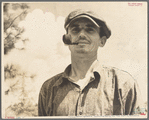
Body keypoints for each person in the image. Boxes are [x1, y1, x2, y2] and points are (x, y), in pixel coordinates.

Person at [38, 9, 143, 116]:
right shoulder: (49, 89)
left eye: (90, 30)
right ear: (66, 40)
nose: (82, 35)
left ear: (102, 41)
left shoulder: (124, 84)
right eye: (75, 30)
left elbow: (141, 115)